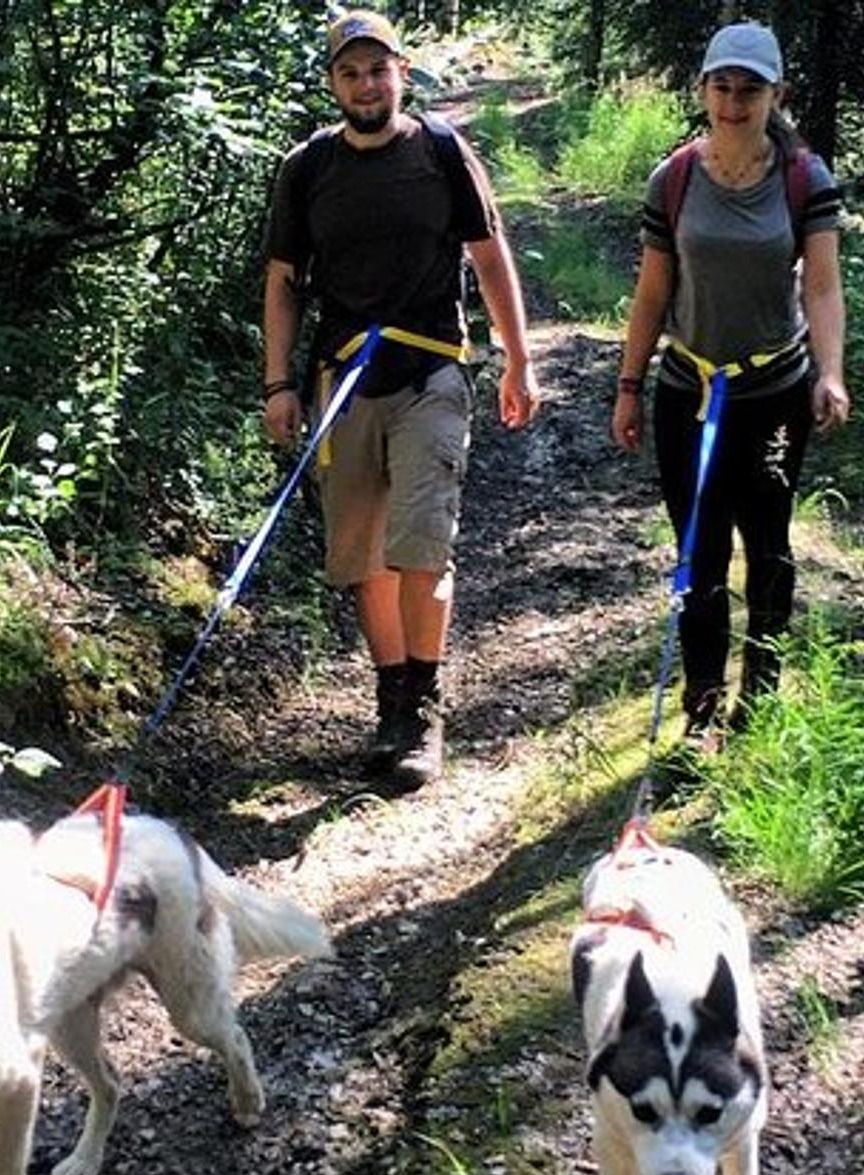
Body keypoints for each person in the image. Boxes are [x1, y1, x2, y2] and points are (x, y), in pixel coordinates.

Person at [262, 10, 538, 790]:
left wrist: (518, 360)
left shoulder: (442, 151)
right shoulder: (308, 168)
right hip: (343, 379)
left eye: (378, 70)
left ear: (402, 73)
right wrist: (277, 382)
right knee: (362, 556)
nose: (366, 85)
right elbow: (282, 282)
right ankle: (391, 703)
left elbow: (489, 256)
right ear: (333, 84)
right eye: (350, 73)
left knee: (421, 543)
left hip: (433, 373)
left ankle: (423, 707)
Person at [610, 21, 849, 743]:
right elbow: (652, 293)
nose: (734, 102)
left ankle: (761, 704)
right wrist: (628, 385)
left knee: (769, 547)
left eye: (750, 89)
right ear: (704, 91)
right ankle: (701, 708)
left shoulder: (806, 178)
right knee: (698, 553)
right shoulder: (676, 178)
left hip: (775, 391)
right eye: (722, 87)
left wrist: (830, 373)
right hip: (689, 390)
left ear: (776, 94)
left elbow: (824, 289)